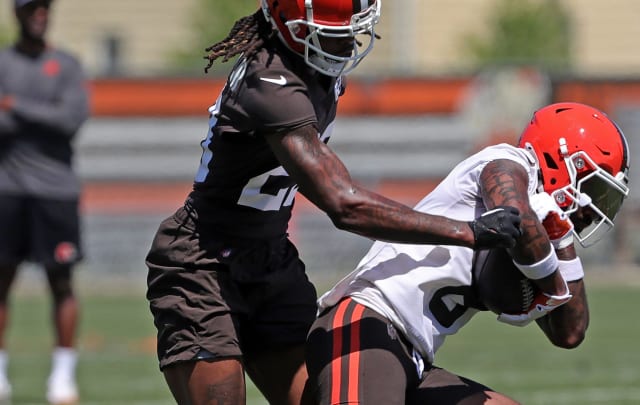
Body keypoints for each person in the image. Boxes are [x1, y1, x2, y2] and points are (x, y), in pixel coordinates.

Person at [144, 1, 522, 405]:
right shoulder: (270, 79)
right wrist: (466, 232)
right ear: (289, 24)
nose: (343, 42)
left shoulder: (311, 71)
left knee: (328, 396)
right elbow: (342, 203)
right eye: (330, 31)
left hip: (270, 261)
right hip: (202, 263)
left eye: (346, 30)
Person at [305, 102, 631, 405]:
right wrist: (554, 283)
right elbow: (516, 216)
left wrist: (561, 241)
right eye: (592, 189)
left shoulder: (548, 225)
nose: (592, 209)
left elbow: (570, 332)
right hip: (366, 326)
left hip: (413, 357)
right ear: (561, 161)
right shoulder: (507, 163)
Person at [0, 0, 90, 404]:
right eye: (30, 7)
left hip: (56, 192)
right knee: (2, 281)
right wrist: (44, 114)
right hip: (7, 190)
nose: (39, 13)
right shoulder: (3, 63)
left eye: (44, 7)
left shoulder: (66, 65)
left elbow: (70, 119)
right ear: (16, 14)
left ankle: (63, 378)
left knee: (62, 282)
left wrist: (14, 105)